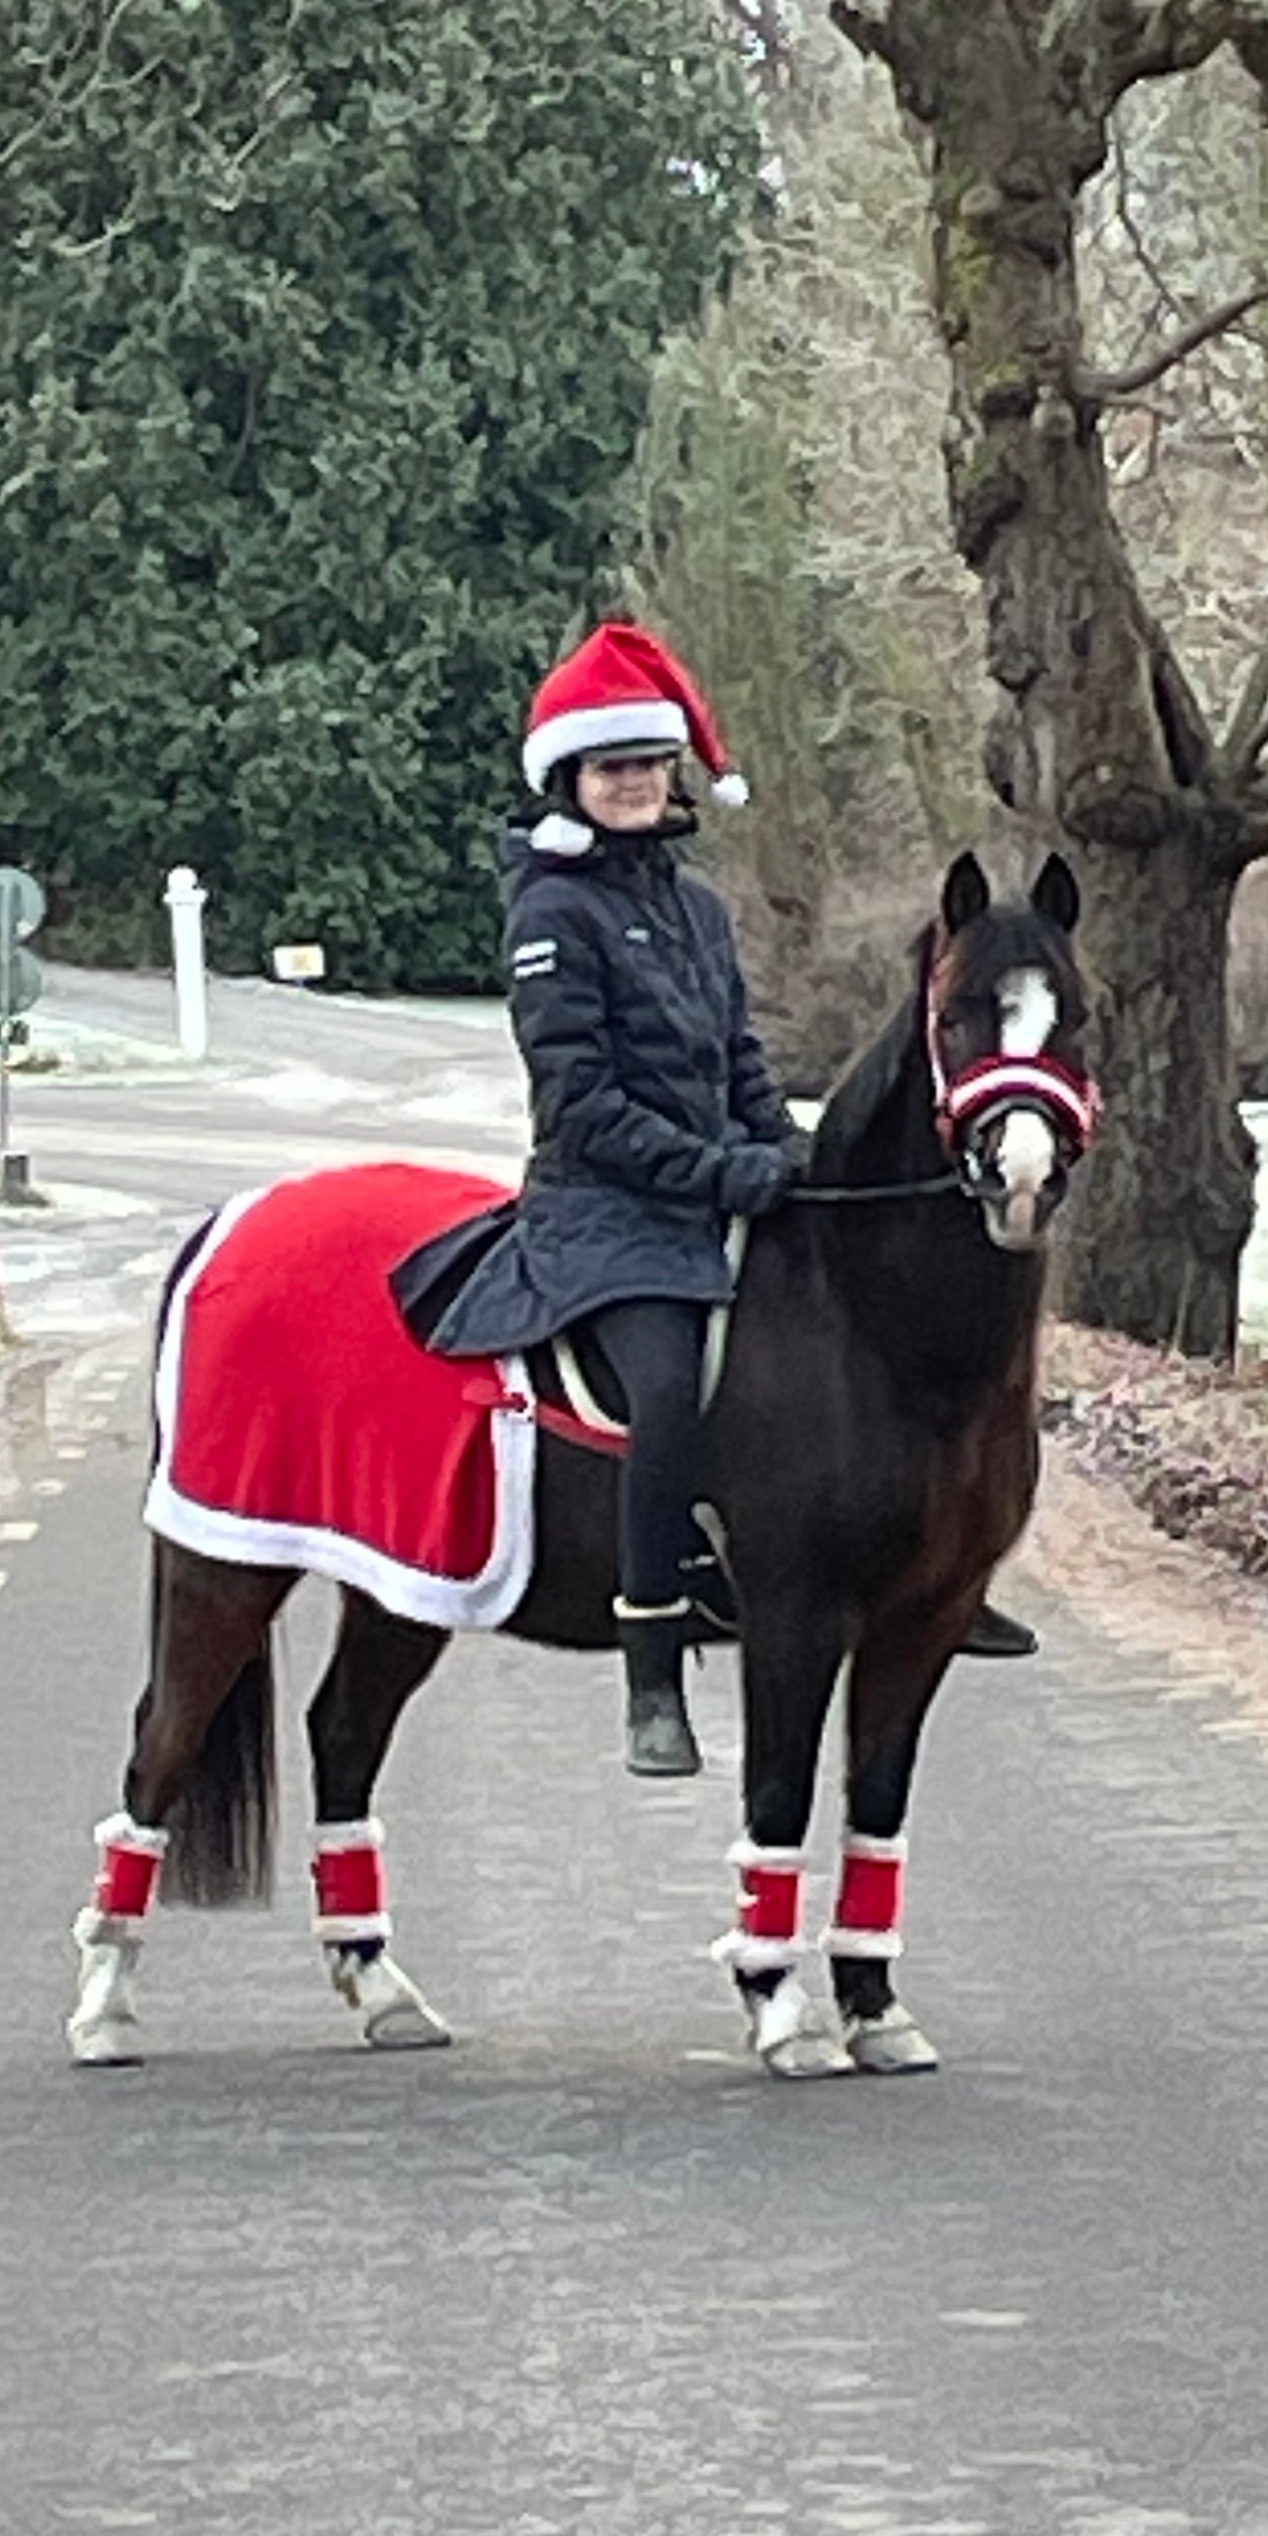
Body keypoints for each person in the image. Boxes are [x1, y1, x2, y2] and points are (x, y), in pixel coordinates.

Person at [408, 622, 799, 1779]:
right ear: (570, 778)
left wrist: (780, 1143)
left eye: (648, 761)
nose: (633, 781)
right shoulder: (550, 915)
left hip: (710, 1191)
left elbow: (737, 1055)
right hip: (604, 1213)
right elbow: (582, 1106)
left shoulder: (701, 908)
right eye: (609, 765)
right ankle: (653, 1673)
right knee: (671, 1386)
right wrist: (722, 1171)